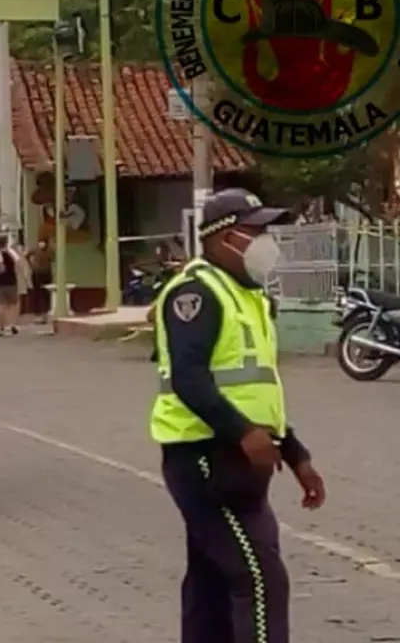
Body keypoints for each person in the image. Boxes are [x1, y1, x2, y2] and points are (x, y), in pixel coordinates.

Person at [152, 188, 325, 643]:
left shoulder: (248, 297)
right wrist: (244, 433)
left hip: (240, 457)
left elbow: (257, 390)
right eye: (254, 231)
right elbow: (189, 378)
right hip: (206, 457)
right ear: (223, 237)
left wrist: (295, 452)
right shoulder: (196, 293)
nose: (265, 241)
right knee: (262, 580)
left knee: (211, 583)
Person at [0, 231, 22, 336]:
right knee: (13, 305)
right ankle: (12, 325)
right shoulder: (11, 252)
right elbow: (18, 264)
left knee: (1, 305)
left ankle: (2, 327)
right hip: (11, 281)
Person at [28, 239, 53, 320]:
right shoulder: (35, 249)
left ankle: (46, 309)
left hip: (46, 272)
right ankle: (37, 311)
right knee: (37, 292)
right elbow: (26, 255)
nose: (42, 244)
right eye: (40, 242)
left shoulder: (49, 250)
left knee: (46, 292)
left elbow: (54, 258)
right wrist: (31, 265)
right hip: (37, 272)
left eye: (43, 242)